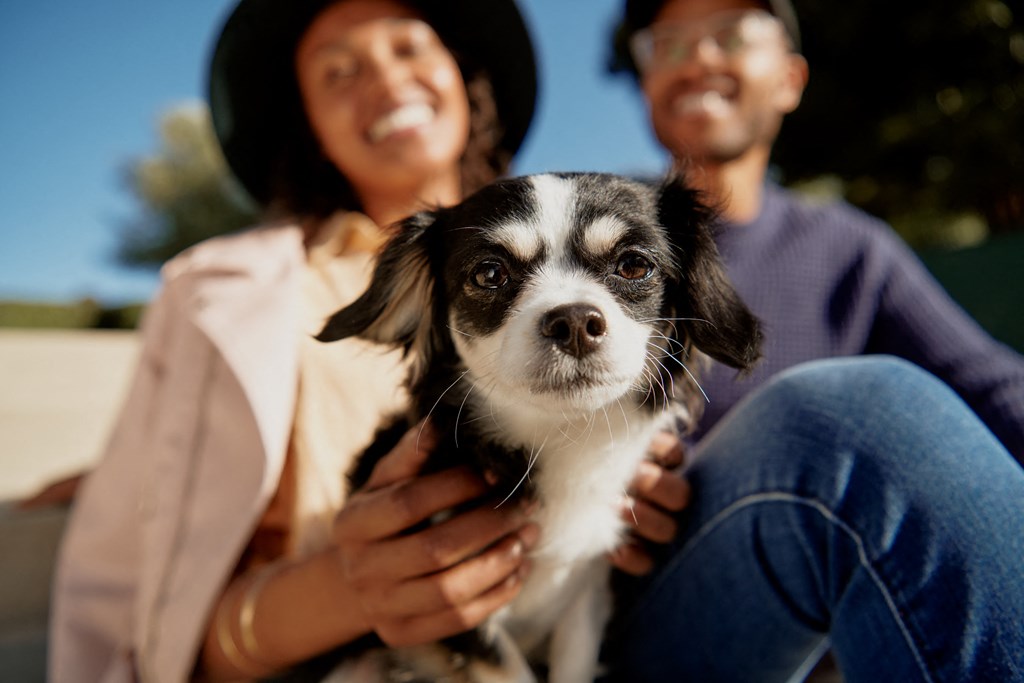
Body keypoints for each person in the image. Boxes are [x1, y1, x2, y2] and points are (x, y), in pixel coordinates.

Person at [49, 1, 688, 680]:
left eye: (409, 48)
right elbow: (138, 588)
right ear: (308, 125)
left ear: (462, 77)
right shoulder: (211, 290)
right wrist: (343, 590)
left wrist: (637, 473)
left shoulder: (593, 243)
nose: (385, 80)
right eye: (339, 72)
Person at [609, 0, 1024, 461]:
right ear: (647, 83)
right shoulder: (582, 238)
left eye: (731, 36)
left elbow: (989, 385)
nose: (697, 59)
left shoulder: (852, 250)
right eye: (668, 47)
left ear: (790, 81)